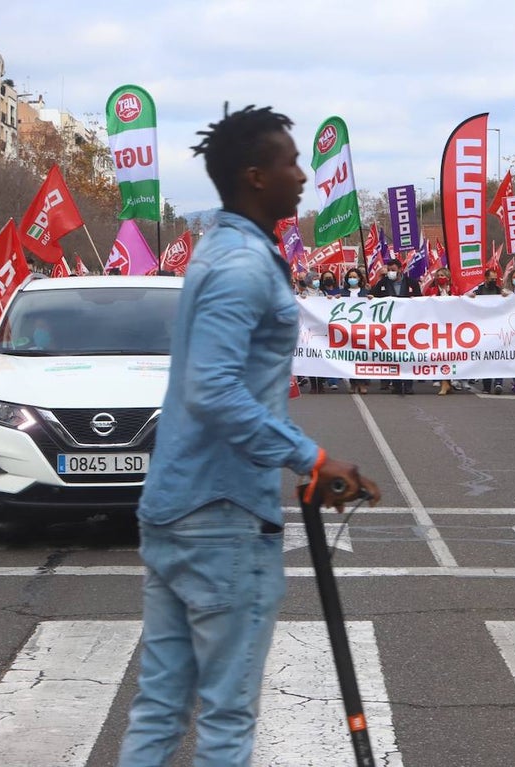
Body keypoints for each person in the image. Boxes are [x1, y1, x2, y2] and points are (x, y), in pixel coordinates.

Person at [118, 104, 381, 767]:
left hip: (179, 506)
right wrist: (311, 458)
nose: (303, 175)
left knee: (159, 706)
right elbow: (213, 388)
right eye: (290, 162)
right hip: (222, 518)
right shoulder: (242, 266)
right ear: (255, 176)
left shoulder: (224, 251)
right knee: (227, 718)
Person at [371, 258, 419, 393]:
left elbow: (420, 299)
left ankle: (408, 385)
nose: (391, 272)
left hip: (408, 324)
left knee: (407, 356)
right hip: (389, 325)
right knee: (394, 356)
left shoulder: (412, 283)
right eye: (389, 270)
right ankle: (397, 385)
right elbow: (374, 298)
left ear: (400, 269)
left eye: (393, 270)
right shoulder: (382, 283)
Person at [425, 268, 458, 395]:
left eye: (442, 275)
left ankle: (448, 382)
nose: (440, 277)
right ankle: (445, 382)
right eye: (438, 275)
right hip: (437, 326)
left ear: (448, 277)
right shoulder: (431, 290)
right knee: (441, 354)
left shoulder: (455, 290)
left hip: (452, 326)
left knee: (450, 354)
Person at [474, 268, 505, 394]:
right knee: (486, 357)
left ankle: (498, 383)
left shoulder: (499, 290)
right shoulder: (479, 291)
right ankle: (486, 385)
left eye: (495, 279)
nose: (493, 281)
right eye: (491, 279)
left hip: (498, 328)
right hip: (483, 328)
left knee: (499, 356)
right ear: (485, 279)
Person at [341, 267, 370, 395]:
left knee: (363, 356)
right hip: (347, 328)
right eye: (350, 277)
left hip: (362, 328)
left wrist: (371, 299)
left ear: (359, 278)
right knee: (351, 356)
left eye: (355, 277)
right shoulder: (343, 293)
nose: (352, 279)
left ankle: (363, 383)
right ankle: (353, 383)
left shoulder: (365, 292)